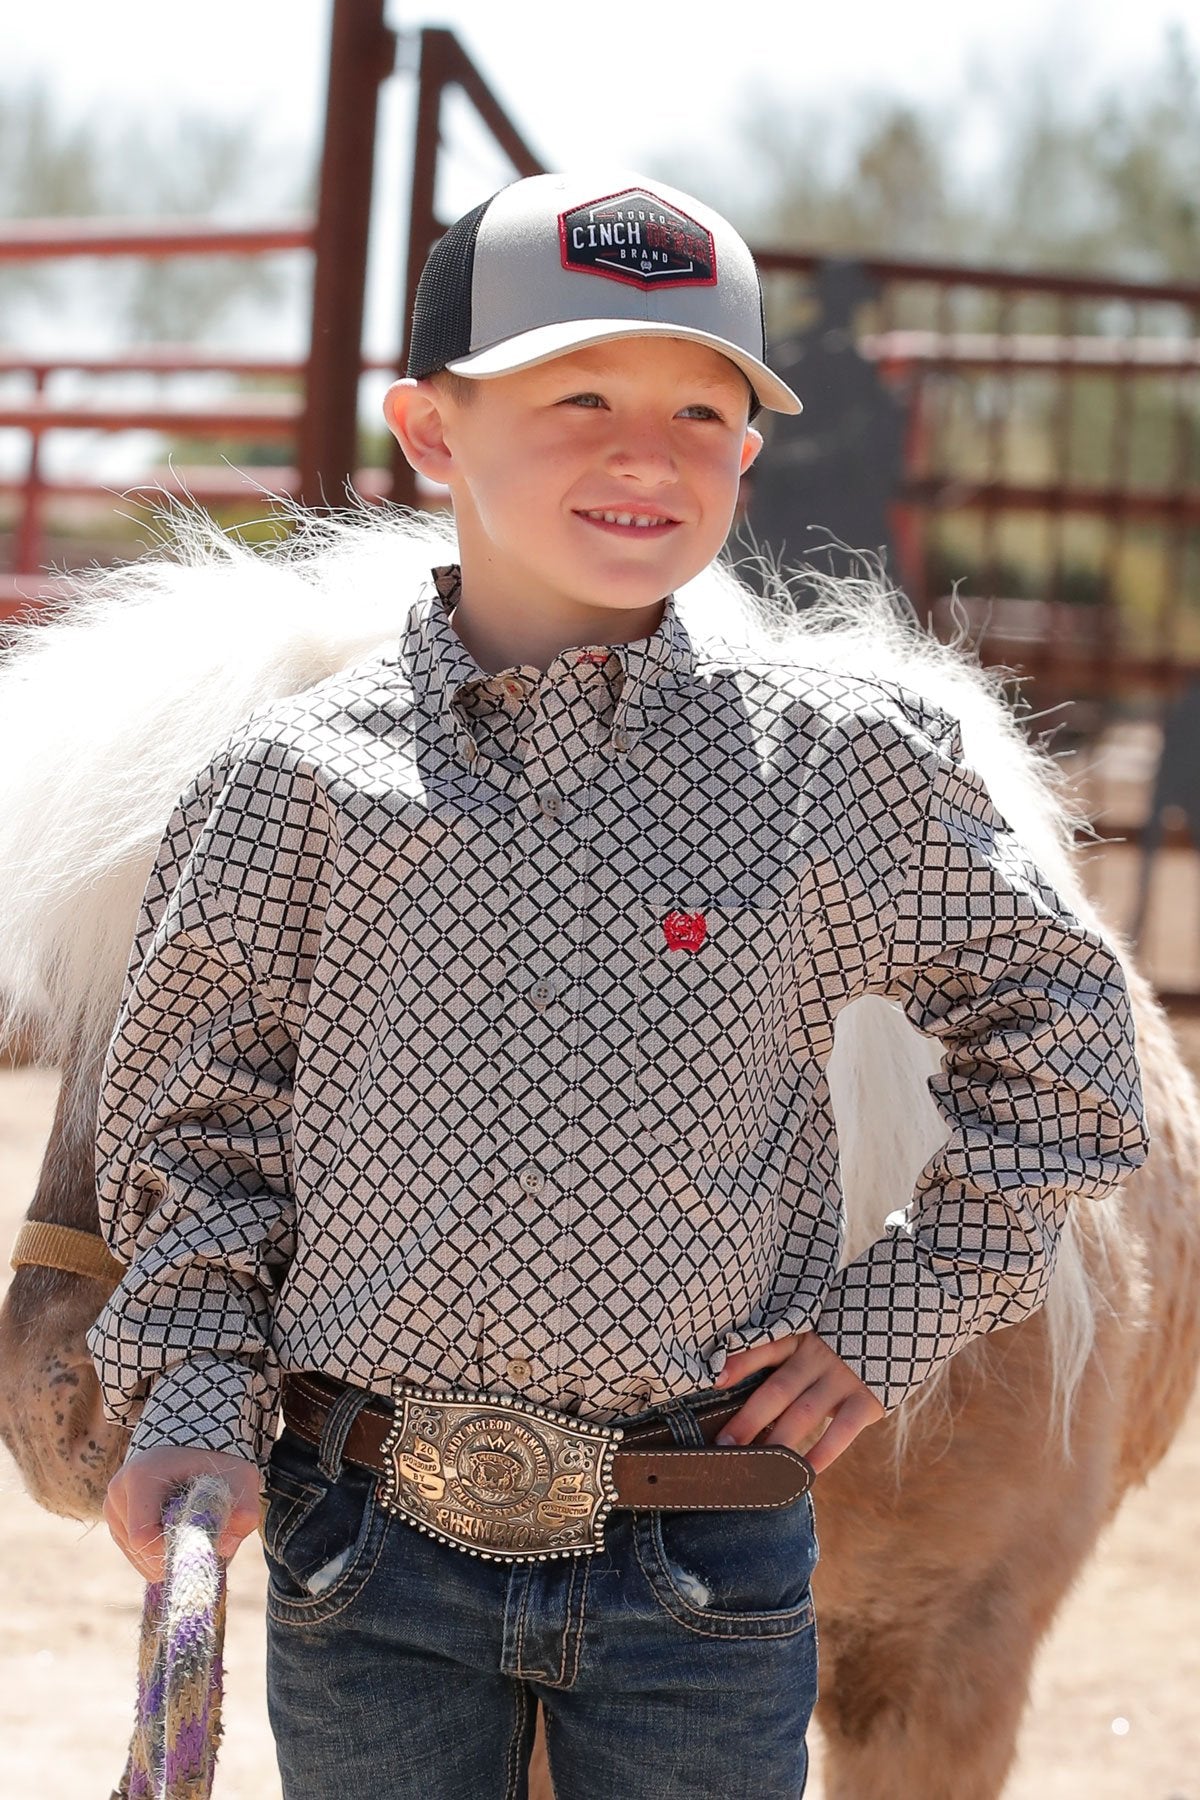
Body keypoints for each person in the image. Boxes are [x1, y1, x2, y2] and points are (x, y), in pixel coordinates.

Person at [89, 171, 1149, 1800]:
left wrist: (896, 1312)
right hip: (365, 1546)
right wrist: (193, 1394)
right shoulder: (288, 789)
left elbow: (1069, 1039)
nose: (642, 449)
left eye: (701, 408)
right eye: (576, 393)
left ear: (745, 452)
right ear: (433, 433)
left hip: (699, 1558)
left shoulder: (835, 773)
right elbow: (197, 1117)